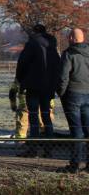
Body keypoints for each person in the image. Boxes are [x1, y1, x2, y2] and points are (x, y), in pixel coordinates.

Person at [16, 23, 61, 157]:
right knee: (47, 117)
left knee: (33, 117)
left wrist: (21, 80)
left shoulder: (31, 44)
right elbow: (57, 66)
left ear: (34, 32)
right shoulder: (53, 46)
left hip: (33, 87)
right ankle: (48, 150)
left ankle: (33, 149)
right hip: (48, 88)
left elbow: (22, 64)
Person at [56, 27, 89, 173]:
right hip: (88, 94)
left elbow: (63, 76)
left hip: (73, 94)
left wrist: (61, 92)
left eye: (69, 37)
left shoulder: (69, 54)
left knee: (76, 130)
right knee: (87, 129)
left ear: (72, 39)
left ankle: (75, 164)